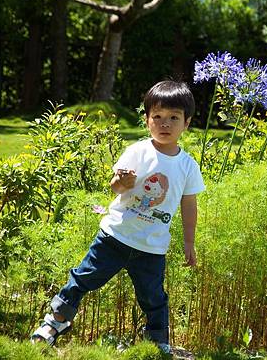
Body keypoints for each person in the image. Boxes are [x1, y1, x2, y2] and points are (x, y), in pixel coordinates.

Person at [31, 81, 205, 354]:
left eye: (174, 118)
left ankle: (157, 344)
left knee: (154, 298)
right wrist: (123, 182)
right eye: (157, 117)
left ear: (187, 123)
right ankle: (54, 323)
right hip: (115, 236)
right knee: (83, 278)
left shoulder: (187, 165)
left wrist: (189, 242)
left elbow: (189, 204)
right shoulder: (138, 151)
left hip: (152, 247)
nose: (165, 124)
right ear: (147, 120)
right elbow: (115, 186)